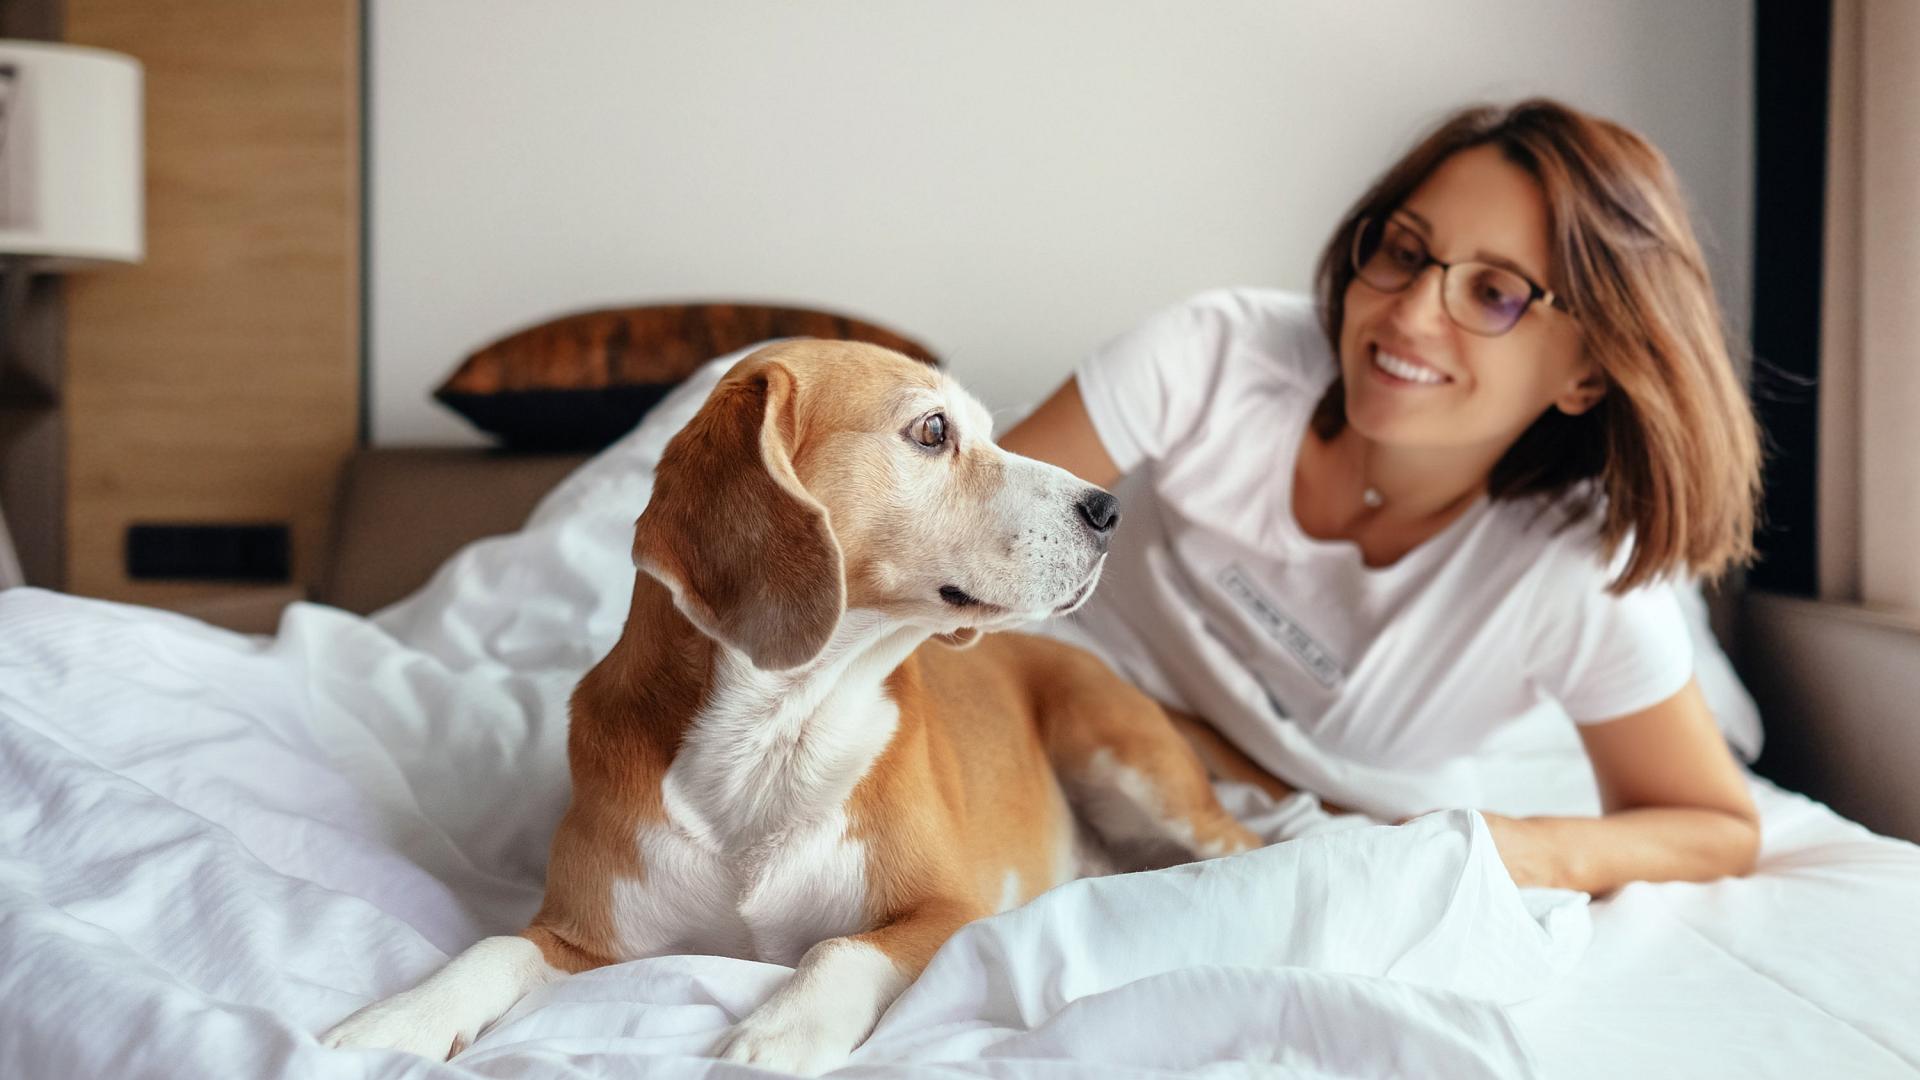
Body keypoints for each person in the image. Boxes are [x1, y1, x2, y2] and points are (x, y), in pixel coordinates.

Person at [999, 98, 1763, 895]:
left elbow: (1717, 825)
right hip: (1030, 692)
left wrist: (1520, 850)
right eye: (1405, 250)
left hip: (1276, 815)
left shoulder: (1575, 574)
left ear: (1588, 372)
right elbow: (960, 546)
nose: (1408, 312)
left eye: (1495, 292)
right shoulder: (1215, 359)